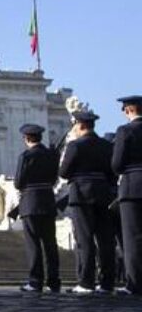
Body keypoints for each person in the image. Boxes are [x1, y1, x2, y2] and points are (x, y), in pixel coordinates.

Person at [59, 109, 116, 294]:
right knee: (106, 240)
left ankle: (86, 281)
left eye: (75, 125)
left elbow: (64, 172)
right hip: (103, 194)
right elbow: (112, 172)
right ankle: (107, 282)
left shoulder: (75, 145)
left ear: (80, 125)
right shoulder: (106, 146)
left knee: (84, 239)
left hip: (81, 196)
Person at [13, 123, 61, 293]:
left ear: (26, 138)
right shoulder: (51, 155)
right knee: (50, 243)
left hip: (30, 203)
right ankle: (54, 281)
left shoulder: (26, 156)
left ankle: (35, 281)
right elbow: (54, 179)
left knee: (33, 243)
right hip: (47, 201)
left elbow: (18, 182)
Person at [112, 95, 142, 295]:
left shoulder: (126, 130)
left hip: (133, 187)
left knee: (132, 238)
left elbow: (117, 164)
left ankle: (135, 284)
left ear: (128, 110)